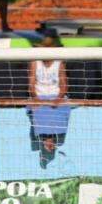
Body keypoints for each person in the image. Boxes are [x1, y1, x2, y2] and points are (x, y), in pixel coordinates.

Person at [27, 34, 71, 168]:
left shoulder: (59, 63)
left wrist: (57, 99)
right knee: (37, 110)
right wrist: (36, 98)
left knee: (60, 109)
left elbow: (64, 84)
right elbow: (31, 83)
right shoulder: (35, 62)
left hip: (56, 96)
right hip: (39, 96)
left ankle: (49, 139)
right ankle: (47, 139)